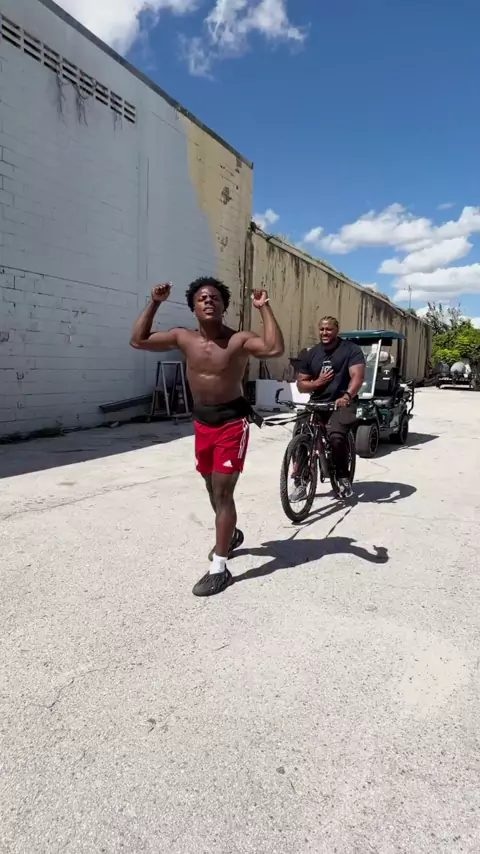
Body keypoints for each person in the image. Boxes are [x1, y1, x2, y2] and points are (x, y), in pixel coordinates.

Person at [130, 277, 284, 597]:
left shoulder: (239, 340)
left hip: (232, 423)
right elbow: (138, 340)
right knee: (210, 487)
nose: (209, 301)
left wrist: (263, 307)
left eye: (215, 297)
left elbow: (274, 348)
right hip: (202, 423)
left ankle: (220, 568)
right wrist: (155, 302)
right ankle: (231, 534)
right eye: (202, 298)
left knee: (223, 492)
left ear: (224, 305)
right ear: (193, 307)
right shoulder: (182, 337)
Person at [294, 316, 365, 499]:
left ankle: (342, 477)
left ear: (336, 330)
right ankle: (301, 482)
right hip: (318, 403)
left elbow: (357, 377)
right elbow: (301, 384)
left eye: (329, 329)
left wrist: (347, 396)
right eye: (322, 329)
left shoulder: (351, 350)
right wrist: (317, 382)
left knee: (336, 437)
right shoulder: (312, 353)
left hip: (342, 402)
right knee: (300, 433)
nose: (324, 333)